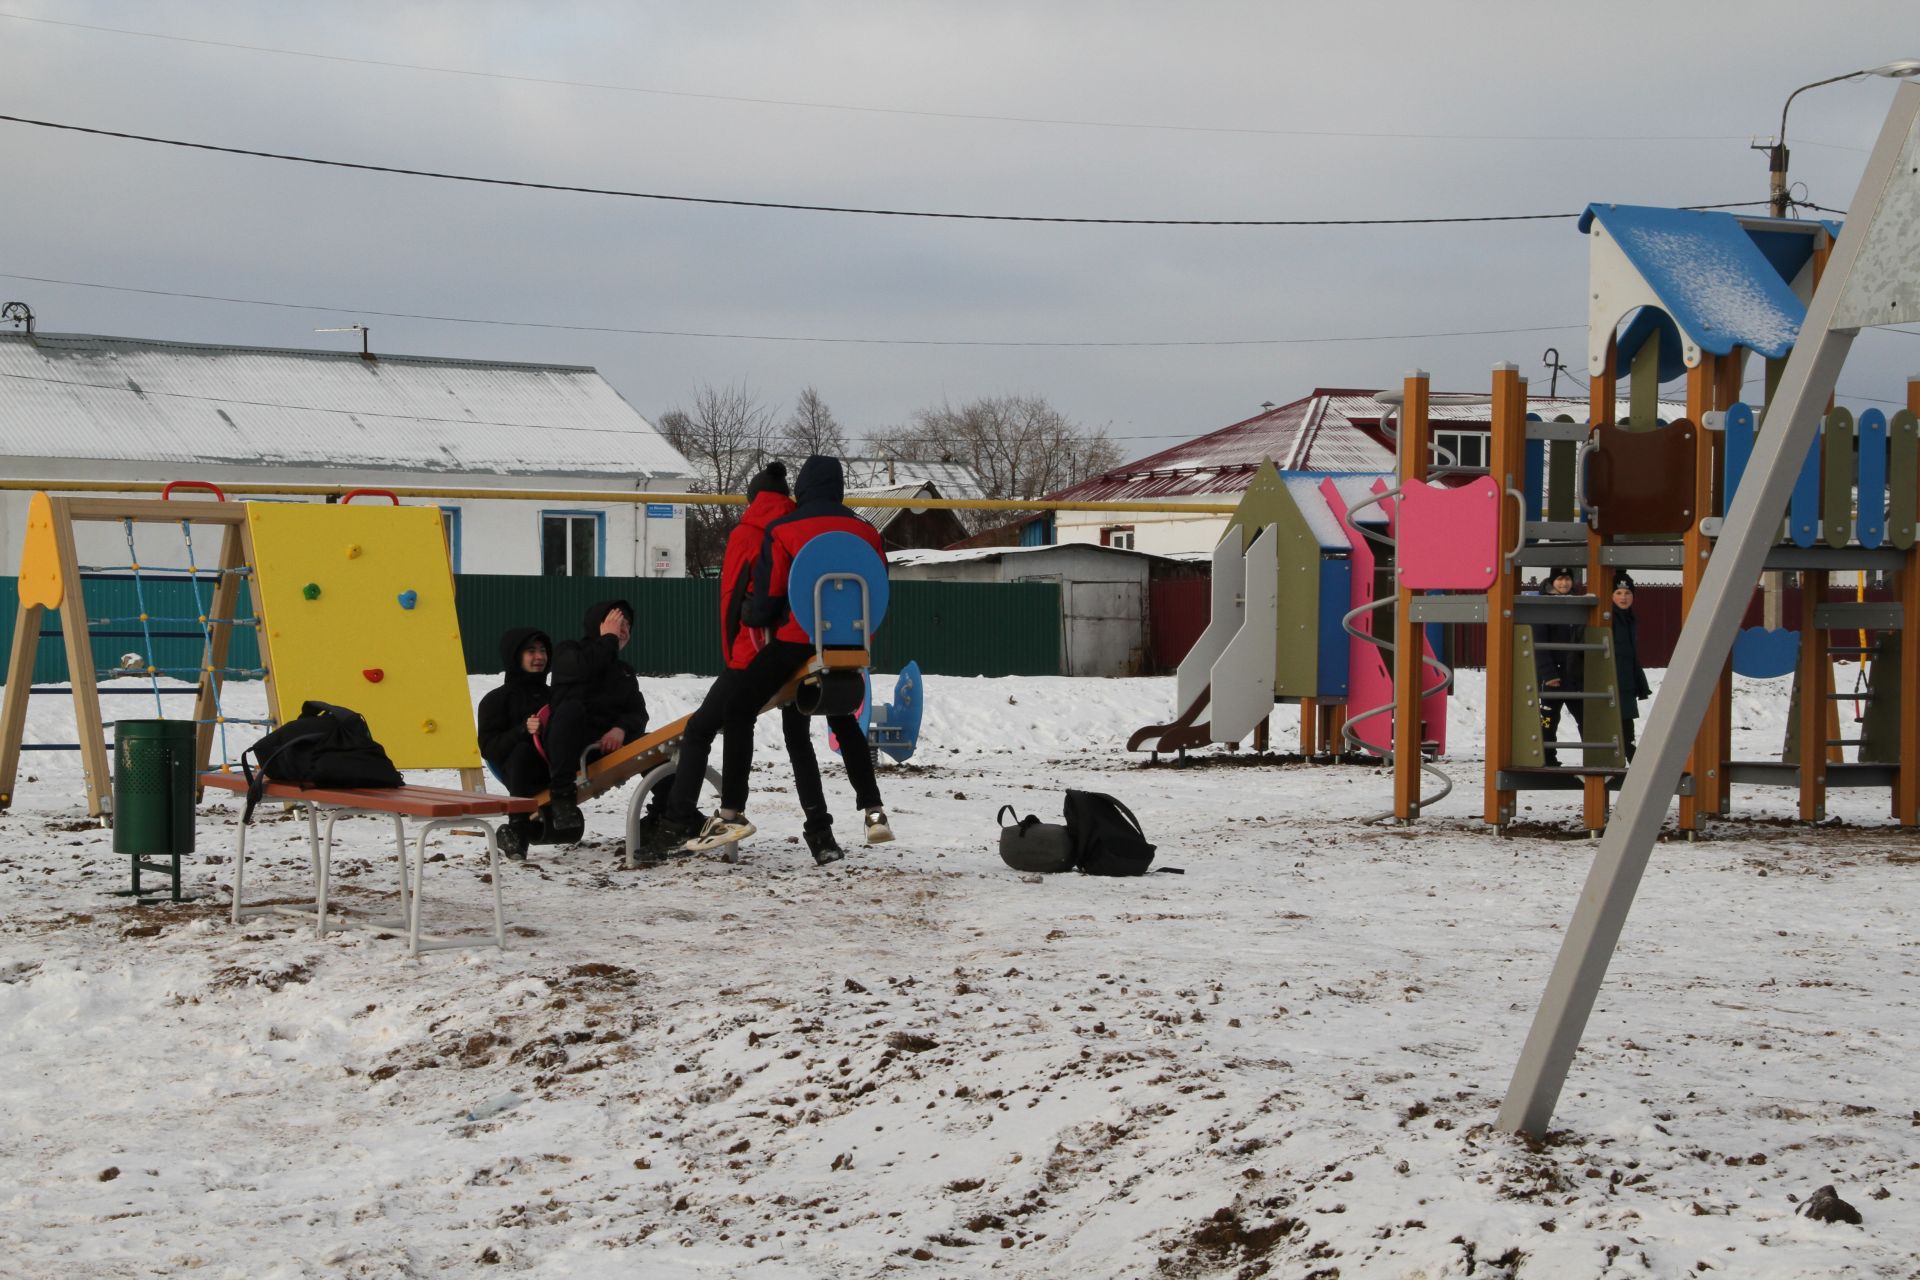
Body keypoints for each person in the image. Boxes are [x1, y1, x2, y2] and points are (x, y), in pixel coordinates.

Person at [676, 454, 893, 852]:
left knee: (739, 708)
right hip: (850, 643)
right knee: (841, 718)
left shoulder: (784, 529)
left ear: (803, 489)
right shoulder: (867, 532)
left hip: (797, 640)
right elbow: (878, 591)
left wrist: (749, 611)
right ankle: (874, 812)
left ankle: (731, 815)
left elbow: (770, 597)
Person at [543, 600, 648, 838]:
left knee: (660, 748)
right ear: (598, 625)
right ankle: (561, 798)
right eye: (617, 623)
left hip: (608, 745)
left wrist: (621, 728)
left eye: (627, 625)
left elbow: (638, 711)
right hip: (568, 747)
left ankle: (667, 816)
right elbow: (583, 670)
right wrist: (608, 640)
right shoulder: (569, 651)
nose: (622, 630)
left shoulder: (624, 671)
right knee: (571, 710)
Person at [476, 627, 551, 843]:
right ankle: (518, 827)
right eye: (531, 651)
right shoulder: (497, 700)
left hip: (562, 770)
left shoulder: (556, 695)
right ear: (515, 655)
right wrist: (522, 731)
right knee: (523, 750)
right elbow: (489, 748)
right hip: (523, 774)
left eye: (543, 650)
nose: (539, 657)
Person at [1535, 566, 1584, 768]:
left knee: (1585, 717)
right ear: (1552, 581)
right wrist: (1548, 673)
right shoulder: (1543, 606)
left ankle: (1594, 755)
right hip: (1553, 675)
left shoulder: (1578, 604)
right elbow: (1539, 643)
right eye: (1560, 579)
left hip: (1573, 674)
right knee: (1548, 720)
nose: (1564, 583)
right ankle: (1547, 758)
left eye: (1567, 579)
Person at [1610, 572, 1653, 760]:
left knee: (1627, 725)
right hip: (1611, 680)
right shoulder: (1608, 617)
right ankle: (1628, 759)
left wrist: (1639, 682)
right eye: (1619, 592)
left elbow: (1631, 654)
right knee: (1613, 724)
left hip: (1626, 681)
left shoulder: (1630, 619)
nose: (1623, 597)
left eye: (1627, 593)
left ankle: (1632, 759)